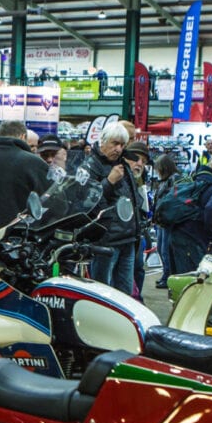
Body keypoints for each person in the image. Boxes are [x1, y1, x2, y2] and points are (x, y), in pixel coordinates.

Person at [81, 123, 141, 295]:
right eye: (115, 143)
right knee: (102, 293)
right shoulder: (90, 166)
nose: (118, 149)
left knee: (125, 294)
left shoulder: (123, 165)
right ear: (103, 141)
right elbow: (87, 202)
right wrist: (109, 182)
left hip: (127, 239)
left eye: (122, 145)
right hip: (105, 242)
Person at [123, 141, 151, 300]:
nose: (140, 164)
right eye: (136, 159)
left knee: (138, 268)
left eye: (144, 161)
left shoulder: (140, 179)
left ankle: (135, 300)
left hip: (137, 232)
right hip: (120, 237)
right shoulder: (119, 176)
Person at [152, 153, 180, 288]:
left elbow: (172, 200)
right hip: (162, 220)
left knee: (166, 250)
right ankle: (166, 274)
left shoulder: (173, 179)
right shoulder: (165, 180)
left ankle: (168, 276)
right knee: (161, 249)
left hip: (168, 221)